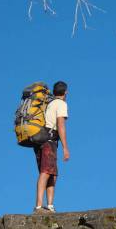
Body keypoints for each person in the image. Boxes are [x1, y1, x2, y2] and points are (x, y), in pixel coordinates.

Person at [33, 81, 70, 214]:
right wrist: (65, 147)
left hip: (40, 141)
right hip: (49, 140)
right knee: (46, 172)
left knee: (51, 174)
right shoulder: (61, 104)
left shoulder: (49, 103)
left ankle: (49, 205)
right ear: (65, 92)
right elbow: (61, 125)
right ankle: (39, 206)